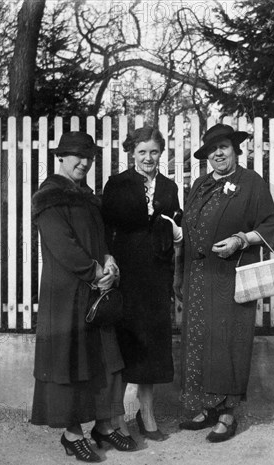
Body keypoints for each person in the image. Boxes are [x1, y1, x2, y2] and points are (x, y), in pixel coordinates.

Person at [31, 131, 138, 462]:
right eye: (77, 155)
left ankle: (104, 426)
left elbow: (100, 238)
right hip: (66, 294)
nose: (84, 162)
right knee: (70, 362)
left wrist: (109, 261)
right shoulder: (48, 196)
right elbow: (61, 244)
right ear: (60, 157)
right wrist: (94, 273)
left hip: (97, 290)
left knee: (105, 358)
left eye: (89, 156)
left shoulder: (87, 196)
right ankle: (71, 433)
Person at [177, 123, 274, 443]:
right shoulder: (199, 184)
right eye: (212, 150)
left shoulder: (250, 182)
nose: (218, 154)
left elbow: (271, 224)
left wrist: (241, 239)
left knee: (228, 343)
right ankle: (207, 407)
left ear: (235, 149)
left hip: (230, 275)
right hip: (199, 278)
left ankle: (227, 414)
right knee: (200, 341)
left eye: (223, 147)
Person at [101, 126, 182, 442]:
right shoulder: (117, 184)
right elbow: (105, 228)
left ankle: (146, 413)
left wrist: (174, 234)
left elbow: (175, 226)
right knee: (125, 343)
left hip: (157, 276)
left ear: (162, 153)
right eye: (143, 152)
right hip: (127, 273)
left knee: (152, 346)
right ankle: (116, 414)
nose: (149, 158)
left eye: (154, 152)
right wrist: (107, 258)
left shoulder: (169, 186)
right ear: (132, 154)